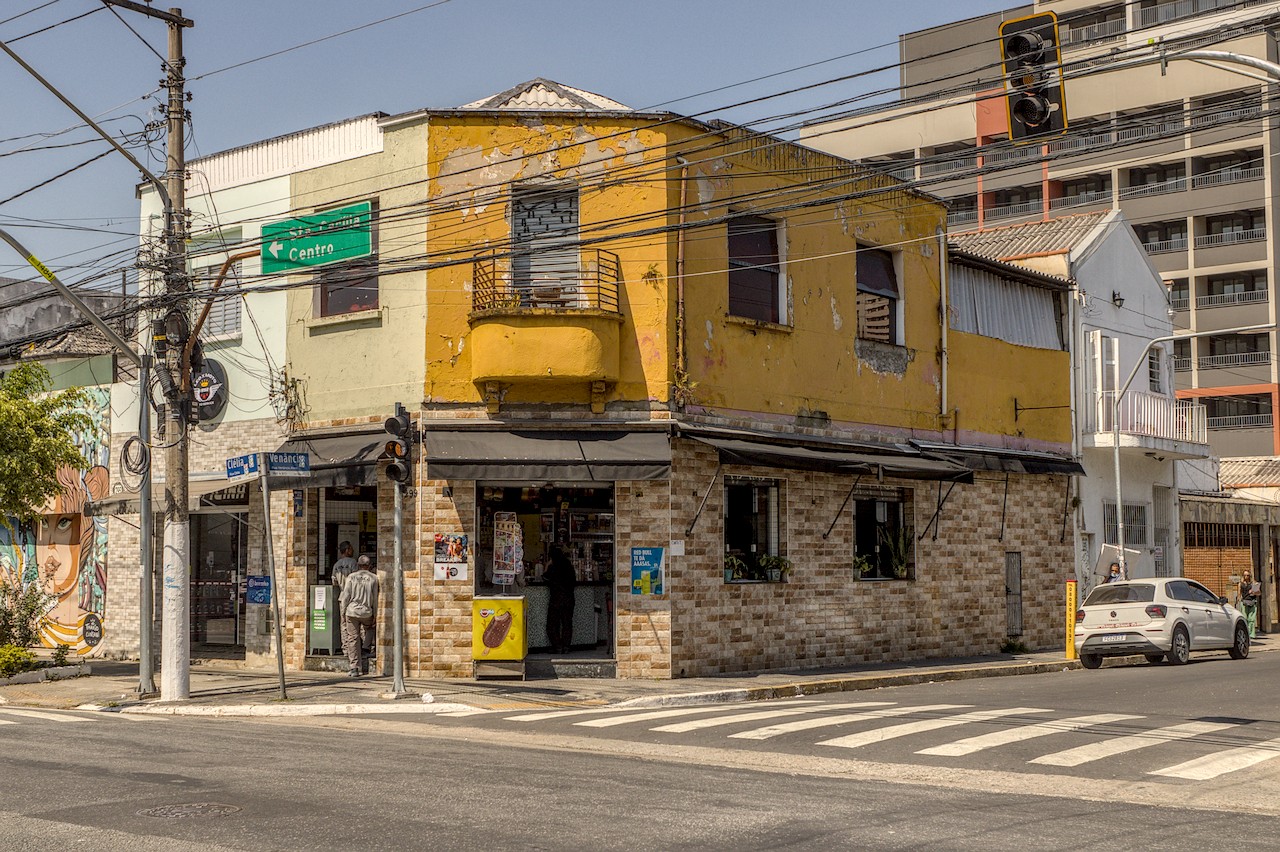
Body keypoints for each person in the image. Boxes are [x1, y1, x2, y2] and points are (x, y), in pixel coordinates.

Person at [339, 555, 378, 676]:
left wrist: (343, 611)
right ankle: (366, 647)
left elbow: (346, 596)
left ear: (358, 565)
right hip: (366, 611)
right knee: (370, 628)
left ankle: (354, 667)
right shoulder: (374, 578)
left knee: (352, 638)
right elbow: (375, 599)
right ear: (369, 565)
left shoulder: (351, 577)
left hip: (352, 611)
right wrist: (375, 614)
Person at [543, 546, 576, 655]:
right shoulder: (569, 566)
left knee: (552, 625)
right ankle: (566, 647)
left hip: (556, 599)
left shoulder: (553, 567)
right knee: (567, 624)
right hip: (569, 599)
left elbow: (545, 578)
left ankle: (557, 646)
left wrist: (547, 566)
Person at [331, 541, 357, 657]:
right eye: (351, 549)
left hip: (342, 596)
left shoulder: (336, 565)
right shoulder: (353, 563)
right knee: (355, 622)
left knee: (343, 623)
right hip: (353, 596)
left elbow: (334, 582)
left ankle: (345, 649)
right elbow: (357, 580)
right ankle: (355, 649)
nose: (353, 550)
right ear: (347, 550)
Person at [1238, 569, 1260, 639]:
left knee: (1251, 619)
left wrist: (1254, 592)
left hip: (1252, 602)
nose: (1246, 577)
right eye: (1245, 575)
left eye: (1247, 575)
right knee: (1245, 618)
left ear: (1250, 576)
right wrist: (1238, 601)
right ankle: (1246, 633)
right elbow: (1239, 594)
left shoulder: (1253, 583)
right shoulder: (1241, 584)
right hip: (1244, 602)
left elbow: (1259, 593)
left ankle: (1251, 634)